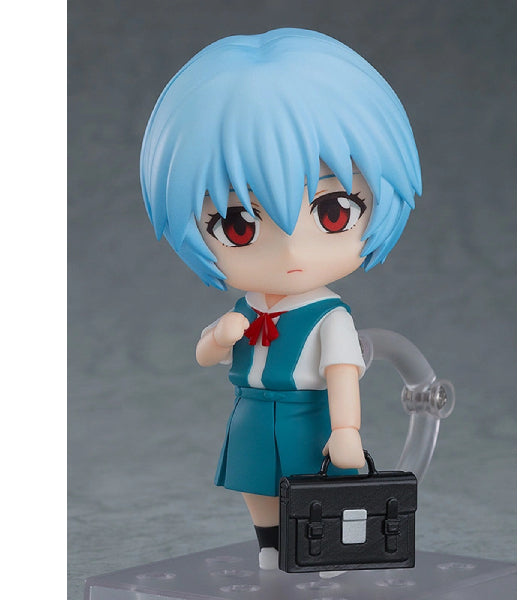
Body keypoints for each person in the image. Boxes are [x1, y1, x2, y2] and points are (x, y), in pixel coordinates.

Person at [140, 28, 422, 570]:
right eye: (239, 224)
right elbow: (205, 355)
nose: (292, 249)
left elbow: (342, 373)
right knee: (256, 484)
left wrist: (346, 430)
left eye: (333, 212)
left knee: (313, 489)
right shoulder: (246, 307)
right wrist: (220, 336)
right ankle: (269, 548)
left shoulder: (330, 316)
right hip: (250, 409)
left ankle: (316, 552)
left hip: (305, 416)